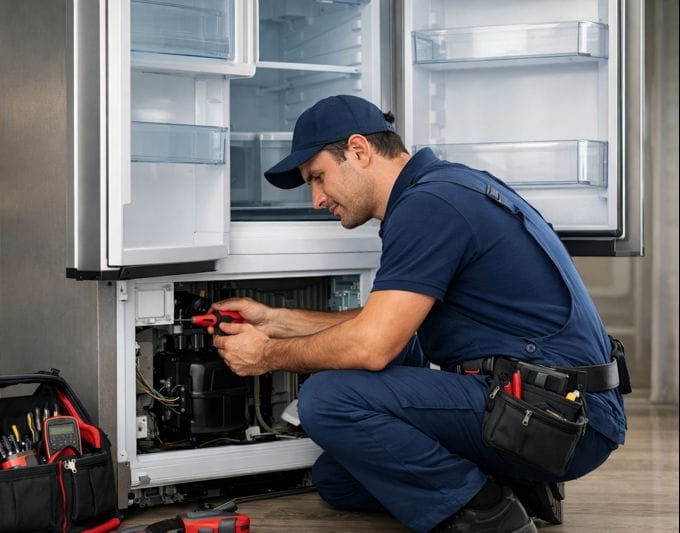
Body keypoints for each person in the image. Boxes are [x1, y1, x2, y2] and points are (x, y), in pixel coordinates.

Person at [209, 95, 627, 532]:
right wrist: (274, 321)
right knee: (338, 479)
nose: (316, 198)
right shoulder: (445, 186)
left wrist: (267, 356)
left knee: (328, 401)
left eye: (318, 177)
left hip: (558, 417)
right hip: (552, 406)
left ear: (358, 150)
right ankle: (517, 485)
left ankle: (487, 515)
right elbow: (385, 321)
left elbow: (372, 346)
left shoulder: (428, 206)